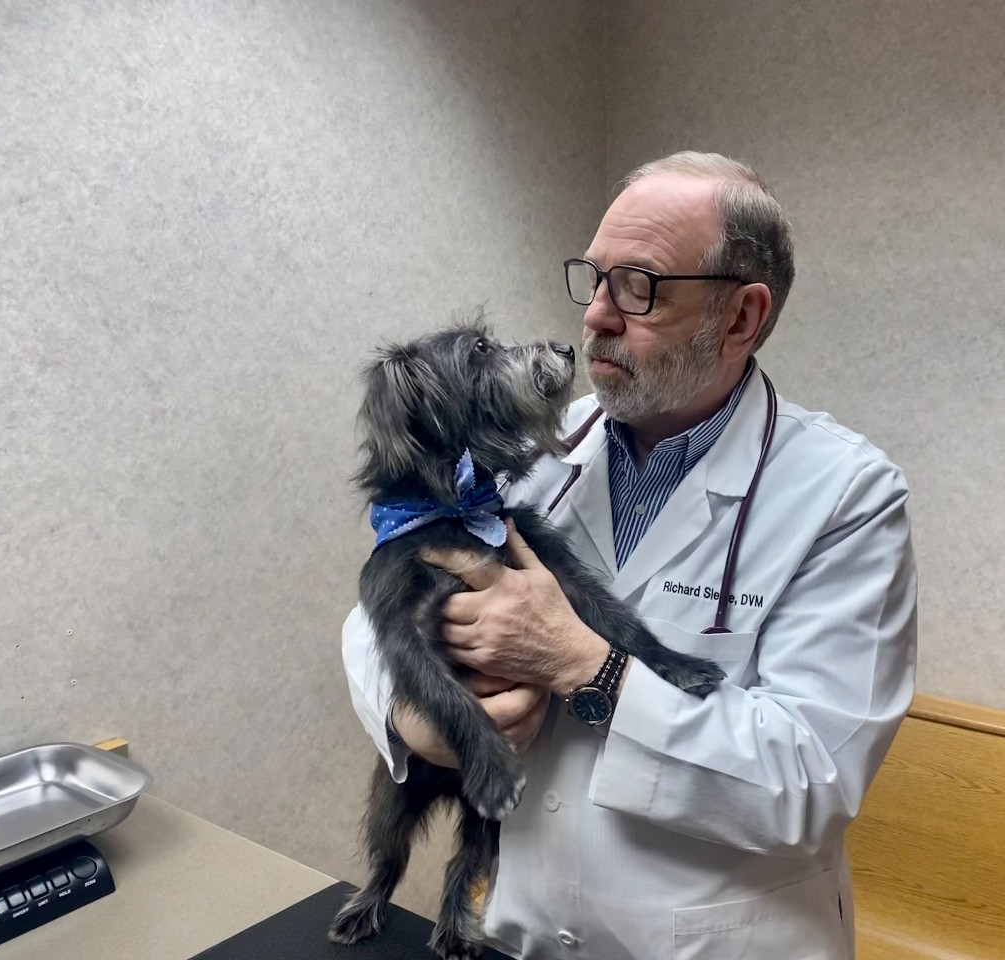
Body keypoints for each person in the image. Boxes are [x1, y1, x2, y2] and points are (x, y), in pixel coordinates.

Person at [341, 151, 918, 960]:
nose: (597, 317)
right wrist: (410, 721)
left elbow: (810, 783)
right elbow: (375, 613)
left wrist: (592, 667)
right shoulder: (535, 442)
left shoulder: (846, 494)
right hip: (523, 934)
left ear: (742, 317)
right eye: (596, 278)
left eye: (639, 286)